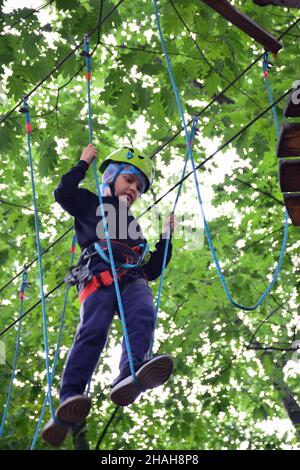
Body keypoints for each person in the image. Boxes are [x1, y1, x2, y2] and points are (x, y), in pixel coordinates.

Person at [41, 144, 177, 447]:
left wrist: (166, 239)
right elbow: (63, 194)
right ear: (112, 176)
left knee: (143, 313)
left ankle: (131, 371)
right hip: (97, 274)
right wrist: (83, 162)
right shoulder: (92, 204)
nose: (133, 189)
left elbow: (151, 269)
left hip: (130, 277)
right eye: (129, 180)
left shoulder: (135, 229)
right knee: (93, 331)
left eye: (138, 187)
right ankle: (71, 396)